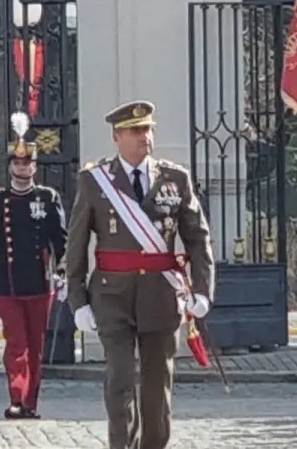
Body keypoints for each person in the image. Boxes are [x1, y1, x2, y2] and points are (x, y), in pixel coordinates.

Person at [64, 101, 215, 449]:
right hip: (111, 296)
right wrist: (78, 300)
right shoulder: (95, 181)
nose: (145, 136)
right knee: (119, 379)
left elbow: (197, 237)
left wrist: (202, 291)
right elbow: (76, 244)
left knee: (157, 385)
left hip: (160, 296)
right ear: (117, 137)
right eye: (136, 130)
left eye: (148, 129)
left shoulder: (175, 179)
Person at [0, 112, 67, 419]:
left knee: (36, 345)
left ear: (35, 166)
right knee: (16, 343)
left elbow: (60, 240)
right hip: (7, 282)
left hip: (40, 282)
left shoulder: (48, 197)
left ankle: (31, 402)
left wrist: (62, 273)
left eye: (27, 163)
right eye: (17, 163)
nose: (22, 168)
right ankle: (16, 397)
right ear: (10, 166)